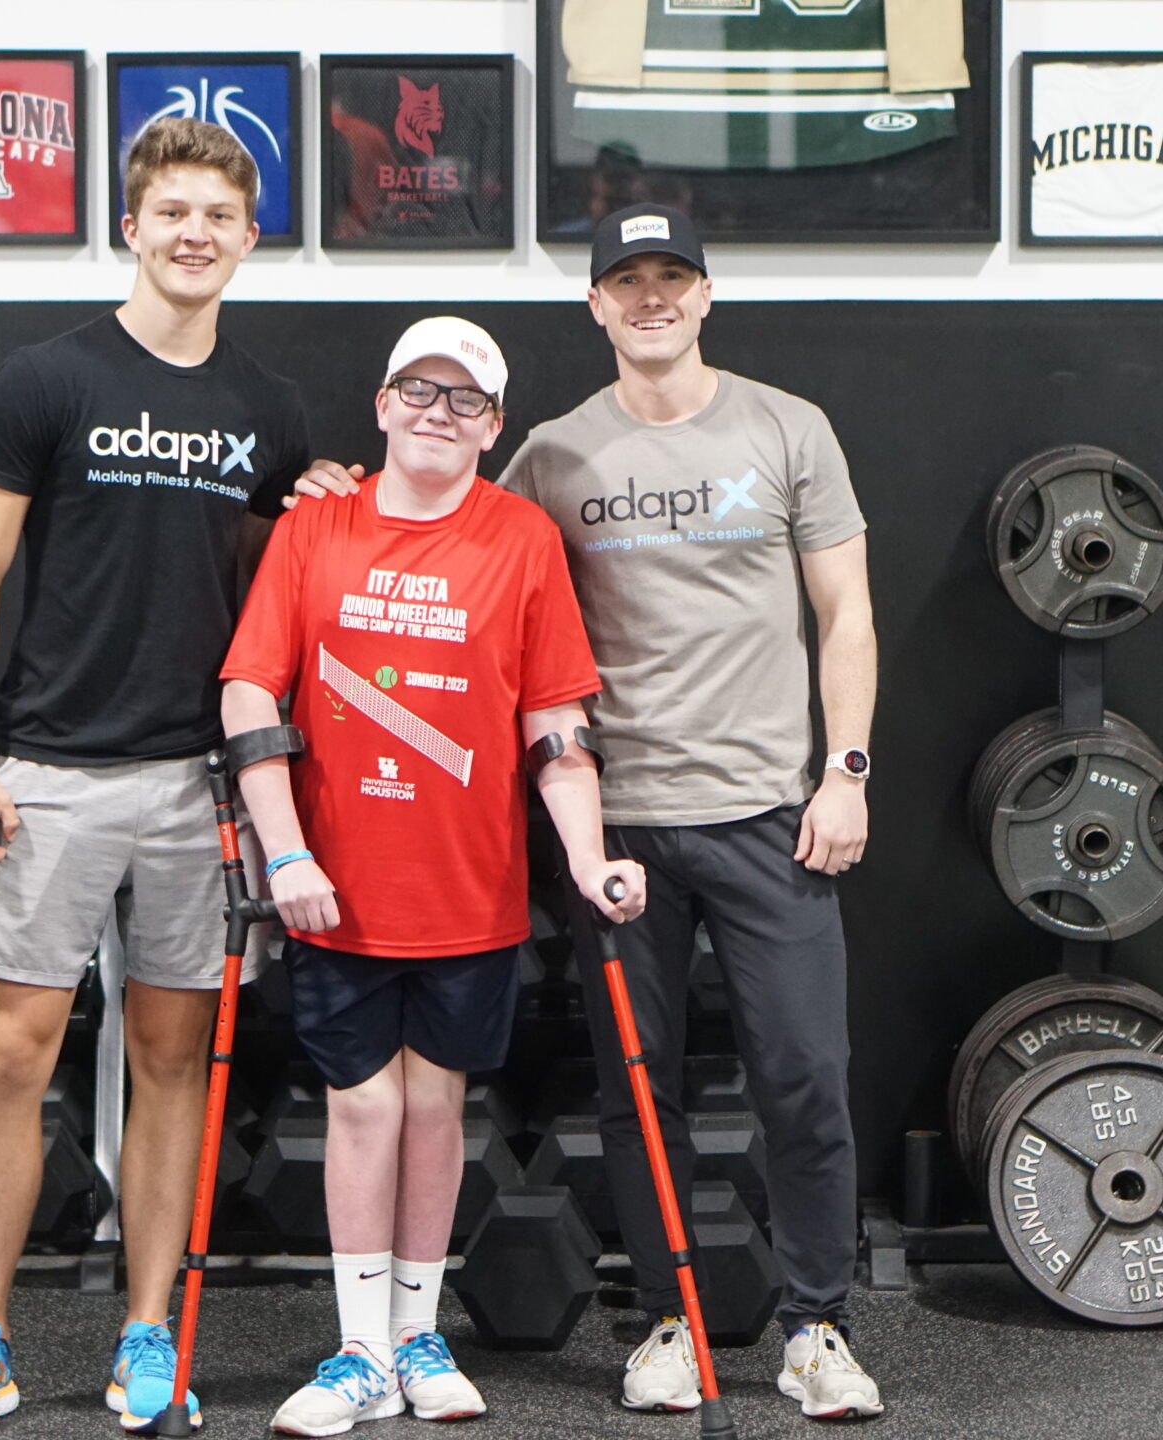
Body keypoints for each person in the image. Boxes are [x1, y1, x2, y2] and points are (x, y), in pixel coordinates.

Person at [301, 202, 883, 1421]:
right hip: (616, 828)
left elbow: (845, 615)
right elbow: (443, 521)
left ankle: (817, 1327)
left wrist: (847, 770)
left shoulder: (791, 428)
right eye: (629, 281)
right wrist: (336, 496)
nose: (652, 298)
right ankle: (666, 1323)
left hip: (770, 815)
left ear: (707, 296)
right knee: (635, 1089)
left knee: (805, 1078)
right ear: (596, 305)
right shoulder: (559, 454)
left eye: (673, 278)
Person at [0, 117, 313, 1439]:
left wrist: (321, 505)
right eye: (173, 212)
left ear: (250, 240)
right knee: (14, 1055)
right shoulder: (46, 378)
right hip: (49, 778)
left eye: (220, 216)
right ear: (130, 227)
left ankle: (151, 1335)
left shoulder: (261, 410)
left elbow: (266, 598)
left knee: (171, 1063)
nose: (195, 233)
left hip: (194, 785)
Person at [220, 317, 647, 1437]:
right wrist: (288, 851)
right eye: (419, 390)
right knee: (362, 1109)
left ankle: (417, 1334)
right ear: (380, 403)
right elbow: (248, 697)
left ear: (493, 425)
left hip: (468, 888)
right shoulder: (315, 532)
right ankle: (359, 1350)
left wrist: (591, 856)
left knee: (434, 1106)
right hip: (337, 887)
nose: (436, 412)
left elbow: (555, 722)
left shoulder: (520, 539)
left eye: (463, 400)